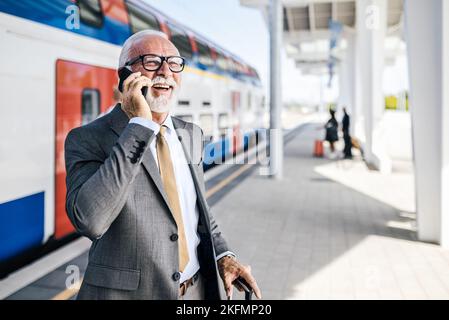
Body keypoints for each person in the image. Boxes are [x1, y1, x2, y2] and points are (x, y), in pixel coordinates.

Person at [64, 30, 261, 300]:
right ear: (125, 75)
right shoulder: (87, 138)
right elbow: (90, 220)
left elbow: (198, 210)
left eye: (174, 63)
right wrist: (140, 126)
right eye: (152, 61)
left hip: (196, 291)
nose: (166, 72)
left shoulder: (191, 133)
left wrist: (224, 255)